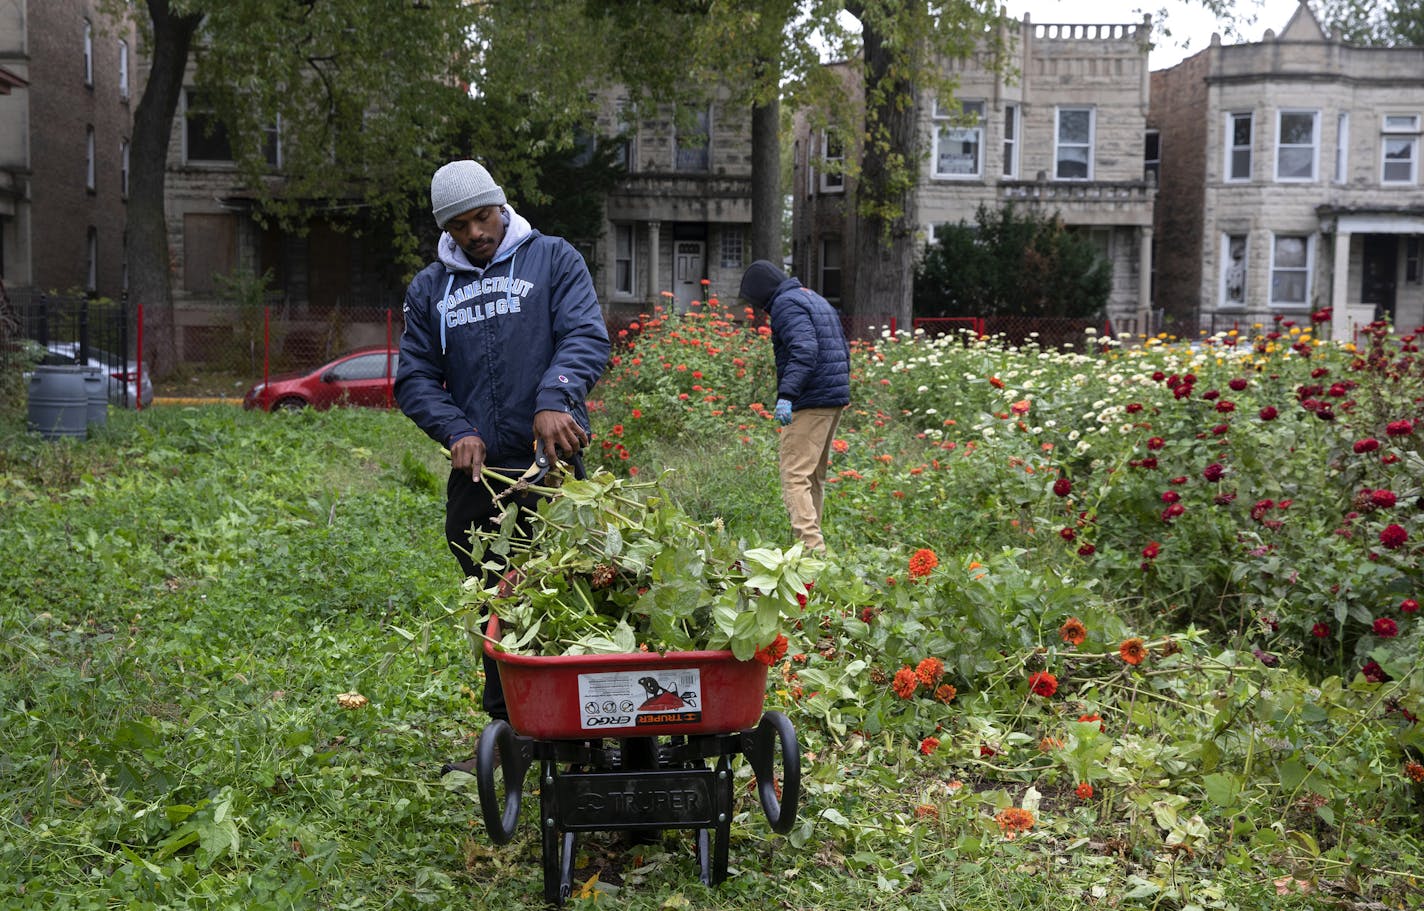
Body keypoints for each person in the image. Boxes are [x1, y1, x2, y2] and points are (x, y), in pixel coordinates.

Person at [396, 159, 610, 720]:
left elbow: (586, 336)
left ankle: (583, 724)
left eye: (482, 217)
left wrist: (554, 397)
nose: (475, 234)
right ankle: (510, 729)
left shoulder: (554, 259)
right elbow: (415, 378)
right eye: (459, 226)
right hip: (481, 479)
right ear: (446, 231)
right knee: (496, 602)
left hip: (553, 466)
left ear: (501, 205)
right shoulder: (430, 289)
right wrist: (456, 428)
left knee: (575, 593)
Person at [738, 260, 850, 552]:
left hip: (810, 399)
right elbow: (841, 345)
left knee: (794, 475)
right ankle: (812, 550)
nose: (759, 310)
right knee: (812, 476)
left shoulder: (786, 305)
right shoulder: (812, 297)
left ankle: (812, 549)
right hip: (832, 396)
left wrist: (787, 394)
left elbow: (805, 348)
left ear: (762, 293)